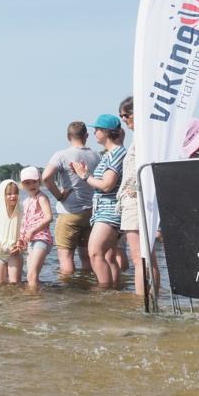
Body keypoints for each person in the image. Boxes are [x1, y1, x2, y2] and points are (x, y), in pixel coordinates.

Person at [70, 114, 127, 289]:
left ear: (105, 132)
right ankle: (114, 290)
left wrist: (84, 176)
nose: (94, 132)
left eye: (97, 129)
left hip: (109, 212)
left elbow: (107, 185)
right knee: (109, 256)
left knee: (95, 253)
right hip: (107, 211)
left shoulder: (116, 153)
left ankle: (103, 292)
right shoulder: (111, 154)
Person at [41, 122, 101, 276]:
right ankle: (87, 285)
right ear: (86, 136)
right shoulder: (96, 155)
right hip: (90, 213)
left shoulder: (61, 155)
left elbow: (46, 177)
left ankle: (69, 292)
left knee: (66, 258)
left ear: (68, 137)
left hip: (69, 214)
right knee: (87, 257)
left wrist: (59, 196)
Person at [117, 97, 159, 297]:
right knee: (147, 258)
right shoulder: (146, 136)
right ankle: (152, 301)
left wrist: (134, 187)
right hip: (140, 200)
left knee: (139, 259)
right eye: (121, 115)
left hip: (136, 202)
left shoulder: (143, 138)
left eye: (127, 114)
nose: (124, 119)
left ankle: (143, 304)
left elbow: (149, 166)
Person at [18, 166, 53, 290]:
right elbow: (25, 222)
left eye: (34, 181)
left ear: (40, 182)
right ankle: (36, 300)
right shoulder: (26, 201)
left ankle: (32, 303)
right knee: (31, 276)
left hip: (41, 238)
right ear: (22, 185)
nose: (31, 185)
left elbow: (49, 217)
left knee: (31, 275)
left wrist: (33, 230)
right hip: (31, 240)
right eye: (27, 183)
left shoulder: (41, 197)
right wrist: (21, 238)